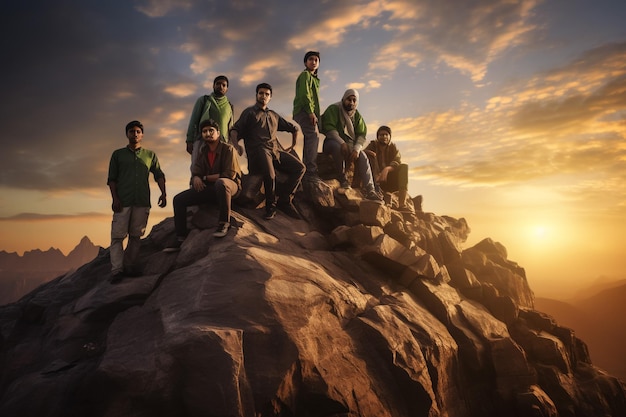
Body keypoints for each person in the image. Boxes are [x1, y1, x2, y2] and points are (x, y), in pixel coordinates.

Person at [230, 83, 305, 220]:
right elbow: (235, 130)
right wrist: (237, 145)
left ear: (270, 97)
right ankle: (271, 206)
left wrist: (293, 145)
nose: (263, 96)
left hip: (274, 151)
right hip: (258, 153)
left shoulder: (273, 115)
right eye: (261, 93)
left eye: (267, 94)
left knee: (300, 168)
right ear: (257, 95)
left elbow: (294, 128)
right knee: (270, 175)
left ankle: (285, 200)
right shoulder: (250, 113)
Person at [166, 119, 242, 251]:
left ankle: (224, 223)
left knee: (221, 182)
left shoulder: (228, 149)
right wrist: (195, 177)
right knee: (178, 199)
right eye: (205, 131)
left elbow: (229, 174)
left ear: (218, 133)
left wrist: (204, 177)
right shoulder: (202, 151)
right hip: (210, 189)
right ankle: (180, 237)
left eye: (211, 131)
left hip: (230, 188)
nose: (208, 133)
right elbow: (196, 172)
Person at [107, 120, 166, 282]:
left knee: (136, 236)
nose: (135, 134)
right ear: (127, 134)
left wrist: (163, 193)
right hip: (123, 201)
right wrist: (115, 199)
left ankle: (130, 267)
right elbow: (112, 179)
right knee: (118, 237)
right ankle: (117, 271)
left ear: (142, 134)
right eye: (132, 131)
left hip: (142, 201)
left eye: (138, 131)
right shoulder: (117, 155)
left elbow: (159, 174)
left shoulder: (150, 155)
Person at [320, 89, 381, 200]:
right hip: (332, 142)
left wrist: (357, 149)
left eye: (354, 100)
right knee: (337, 147)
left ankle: (370, 190)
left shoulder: (357, 116)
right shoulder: (334, 109)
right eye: (349, 99)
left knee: (362, 156)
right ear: (344, 99)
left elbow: (361, 135)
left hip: (351, 145)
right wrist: (342, 142)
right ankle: (342, 179)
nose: (351, 103)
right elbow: (329, 130)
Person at [185, 75, 234, 170]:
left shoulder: (229, 106)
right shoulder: (204, 100)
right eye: (218, 84)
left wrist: (231, 145)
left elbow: (230, 127)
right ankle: (196, 183)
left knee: (221, 169)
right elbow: (194, 120)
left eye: (224, 85)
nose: (221, 86)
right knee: (198, 166)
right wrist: (189, 140)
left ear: (227, 89)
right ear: (213, 86)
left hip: (222, 142)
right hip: (202, 140)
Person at [364, 125, 409, 209]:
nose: (384, 137)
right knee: (370, 155)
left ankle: (402, 204)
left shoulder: (393, 148)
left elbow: (397, 160)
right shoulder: (373, 145)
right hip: (375, 180)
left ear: (389, 137)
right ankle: (374, 192)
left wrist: (387, 169)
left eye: (386, 134)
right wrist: (369, 153)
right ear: (378, 137)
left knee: (404, 167)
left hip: (389, 180)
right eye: (381, 135)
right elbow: (363, 154)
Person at [293, 51, 321, 182]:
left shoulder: (314, 79)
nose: (313, 62)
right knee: (313, 136)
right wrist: (310, 112)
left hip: (307, 111)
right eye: (311, 59)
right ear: (305, 62)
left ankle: (306, 168)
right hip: (303, 110)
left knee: (310, 137)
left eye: (316, 60)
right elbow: (305, 94)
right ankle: (311, 171)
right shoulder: (305, 75)